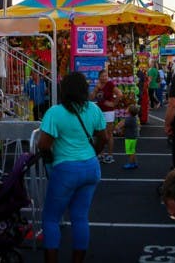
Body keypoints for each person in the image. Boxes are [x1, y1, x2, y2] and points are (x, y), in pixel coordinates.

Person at [36, 71, 107, 263]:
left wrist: (50, 159)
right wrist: (94, 153)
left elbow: (43, 144)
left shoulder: (55, 112)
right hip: (91, 167)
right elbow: (104, 138)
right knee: (80, 217)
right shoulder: (94, 110)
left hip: (65, 169)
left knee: (51, 218)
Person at [93, 70, 122, 163]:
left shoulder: (110, 84)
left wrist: (113, 104)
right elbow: (91, 97)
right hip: (99, 111)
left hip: (108, 112)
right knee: (99, 133)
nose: (104, 78)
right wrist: (96, 89)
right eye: (102, 76)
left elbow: (119, 94)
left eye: (106, 76)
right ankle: (100, 154)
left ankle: (110, 155)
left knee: (109, 134)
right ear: (99, 77)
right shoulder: (97, 85)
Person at [122, 104, 140, 170]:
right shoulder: (134, 118)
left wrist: (117, 128)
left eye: (127, 108)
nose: (126, 109)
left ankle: (130, 163)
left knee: (130, 152)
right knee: (132, 150)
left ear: (129, 111)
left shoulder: (129, 119)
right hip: (133, 136)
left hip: (130, 137)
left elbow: (122, 125)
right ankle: (135, 163)